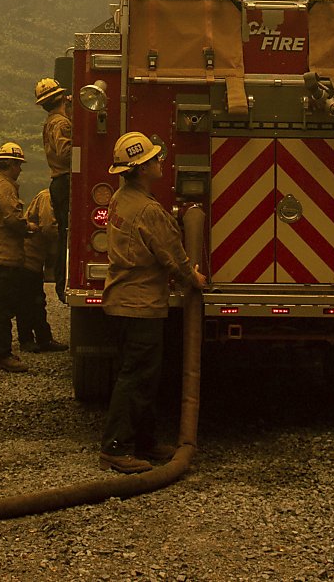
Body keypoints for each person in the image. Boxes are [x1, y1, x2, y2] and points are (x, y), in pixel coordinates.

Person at [99, 131, 205, 475]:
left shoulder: (121, 197)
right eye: (154, 159)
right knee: (137, 378)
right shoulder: (148, 210)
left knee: (141, 376)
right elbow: (173, 255)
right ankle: (116, 448)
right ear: (142, 169)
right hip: (140, 305)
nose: (161, 162)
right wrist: (195, 279)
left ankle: (144, 442)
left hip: (122, 301)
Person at [0, 141, 33, 372]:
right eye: (18, 165)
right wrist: (29, 227)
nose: (20, 169)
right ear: (10, 164)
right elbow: (12, 218)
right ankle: (2, 355)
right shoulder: (4, 187)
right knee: (3, 307)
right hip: (4, 256)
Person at [18, 185, 68, 353]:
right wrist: (65, 242)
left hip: (35, 258)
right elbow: (48, 227)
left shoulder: (49, 198)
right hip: (29, 257)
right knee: (29, 300)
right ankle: (27, 340)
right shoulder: (48, 198)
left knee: (37, 300)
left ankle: (43, 339)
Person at [36, 77, 74, 300]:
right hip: (65, 180)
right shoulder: (62, 124)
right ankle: (62, 282)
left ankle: (61, 280)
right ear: (61, 98)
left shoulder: (52, 121)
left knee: (64, 234)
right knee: (66, 235)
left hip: (58, 181)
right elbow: (66, 153)